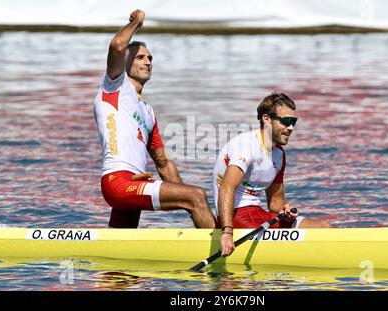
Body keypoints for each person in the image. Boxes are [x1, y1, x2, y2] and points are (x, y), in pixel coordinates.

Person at [93, 9, 216, 228]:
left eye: (150, 58)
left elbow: (163, 163)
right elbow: (117, 46)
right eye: (140, 57)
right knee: (197, 195)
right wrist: (136, 22)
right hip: (118, 182)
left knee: (120, 250)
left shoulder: (148, 111)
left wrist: (185, 200)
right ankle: (223, 250)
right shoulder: (114, 87)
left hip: (136, 184)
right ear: (125, 63)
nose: (148, 61)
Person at [213, 93, 332, 256]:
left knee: (324, 228)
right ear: (266, 119)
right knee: (320, 234)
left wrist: (286, 212)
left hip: (257, 214)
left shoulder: (279, 154)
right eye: (286, 121)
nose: (291, 128)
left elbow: (276, 202)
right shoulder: (246, 146)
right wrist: (227, 233)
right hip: (234, 217)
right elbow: (226, 188)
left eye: (293, 122)